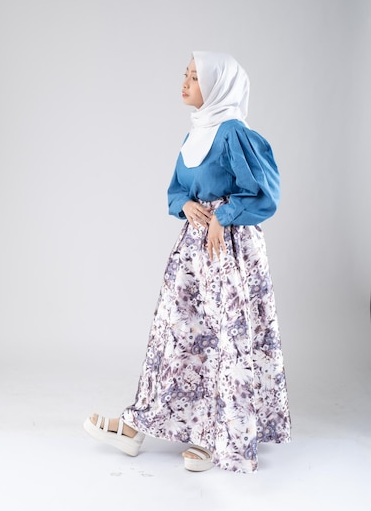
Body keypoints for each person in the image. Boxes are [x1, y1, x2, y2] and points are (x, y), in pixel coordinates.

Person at [84, 51, 291, 473]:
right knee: (175, 333)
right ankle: (136, 426)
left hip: (229, 247)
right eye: (186, 74)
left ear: (217, 86)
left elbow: (266, 193)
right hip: (195, 247)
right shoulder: (192, 136)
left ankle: (220, 438)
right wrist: (188, 207)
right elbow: (175, 190)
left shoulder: (233, 132)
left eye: (195, 77)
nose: (185, 83)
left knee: (224, 336)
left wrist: (222, 215)